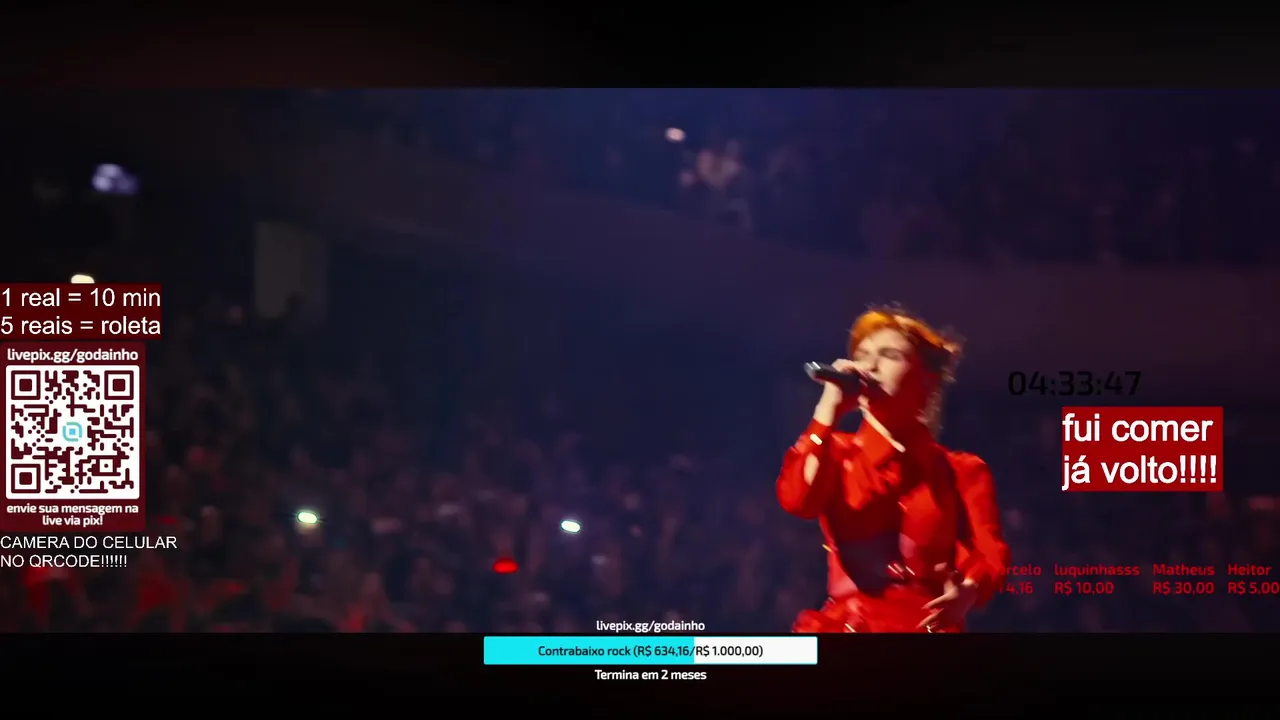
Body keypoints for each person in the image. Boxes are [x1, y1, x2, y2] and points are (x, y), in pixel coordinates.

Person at [776, 307, 1009, 632]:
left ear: (927, 378)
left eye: (889, 355)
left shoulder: (962, 471)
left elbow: (990, 555)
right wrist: (827, 411)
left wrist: (970, 589)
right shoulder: (836, 453)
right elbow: (798, 500)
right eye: (862, 356)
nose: (869, 367)